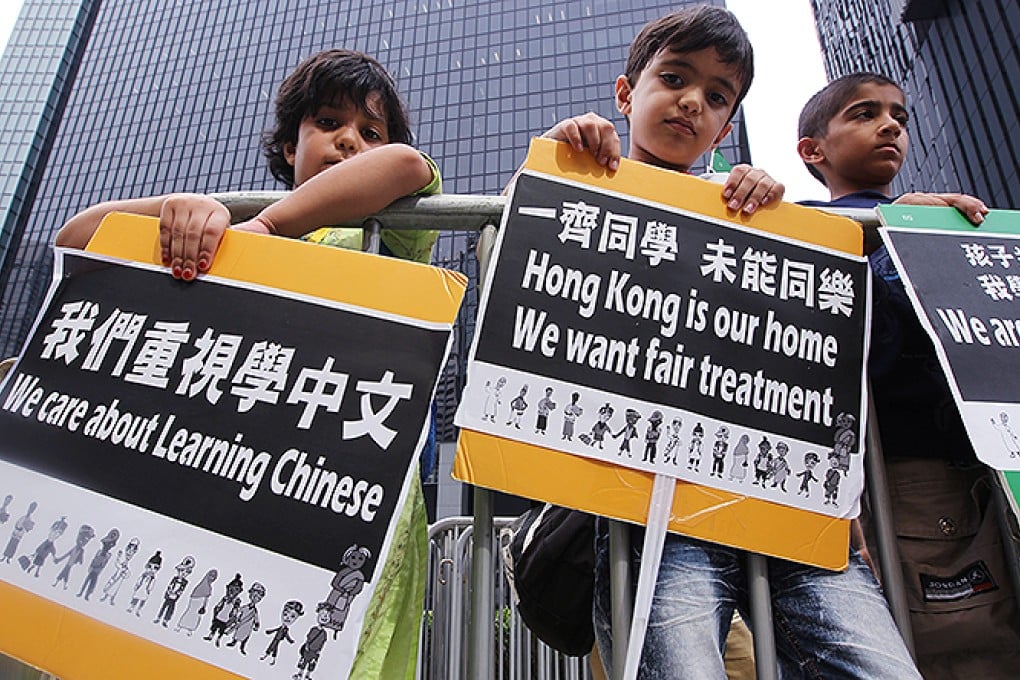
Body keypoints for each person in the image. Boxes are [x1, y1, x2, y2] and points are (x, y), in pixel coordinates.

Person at [541, 8, 920, 677]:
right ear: (627, 93)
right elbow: (525, 269)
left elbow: (805, 350)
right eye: (676, 78)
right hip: (655, 511)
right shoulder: (583, 176)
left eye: (718, 97)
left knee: (879, 663)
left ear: (727, 122)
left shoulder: (749, 203)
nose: (693, 102)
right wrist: (561, 156)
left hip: (782, 503)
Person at [56, 49, 440, 679]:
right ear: (290, 146)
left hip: (344, 495)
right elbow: (77, 238)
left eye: (370, 131)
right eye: (328, 122)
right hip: (226, 481)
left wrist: (263, 225)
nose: (351, 141)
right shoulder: (218, 242)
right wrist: (189, 208)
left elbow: (406, 166)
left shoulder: (387, 233)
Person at [797, 71, 1019, 678]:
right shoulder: (817, 230)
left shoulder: (945, 221)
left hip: (991, 468)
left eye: (898, 114)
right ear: (813, 150)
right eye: (864, 114)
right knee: (962, 645)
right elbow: (857, 336)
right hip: (912, 481)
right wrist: (903, 241)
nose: (890, 124)